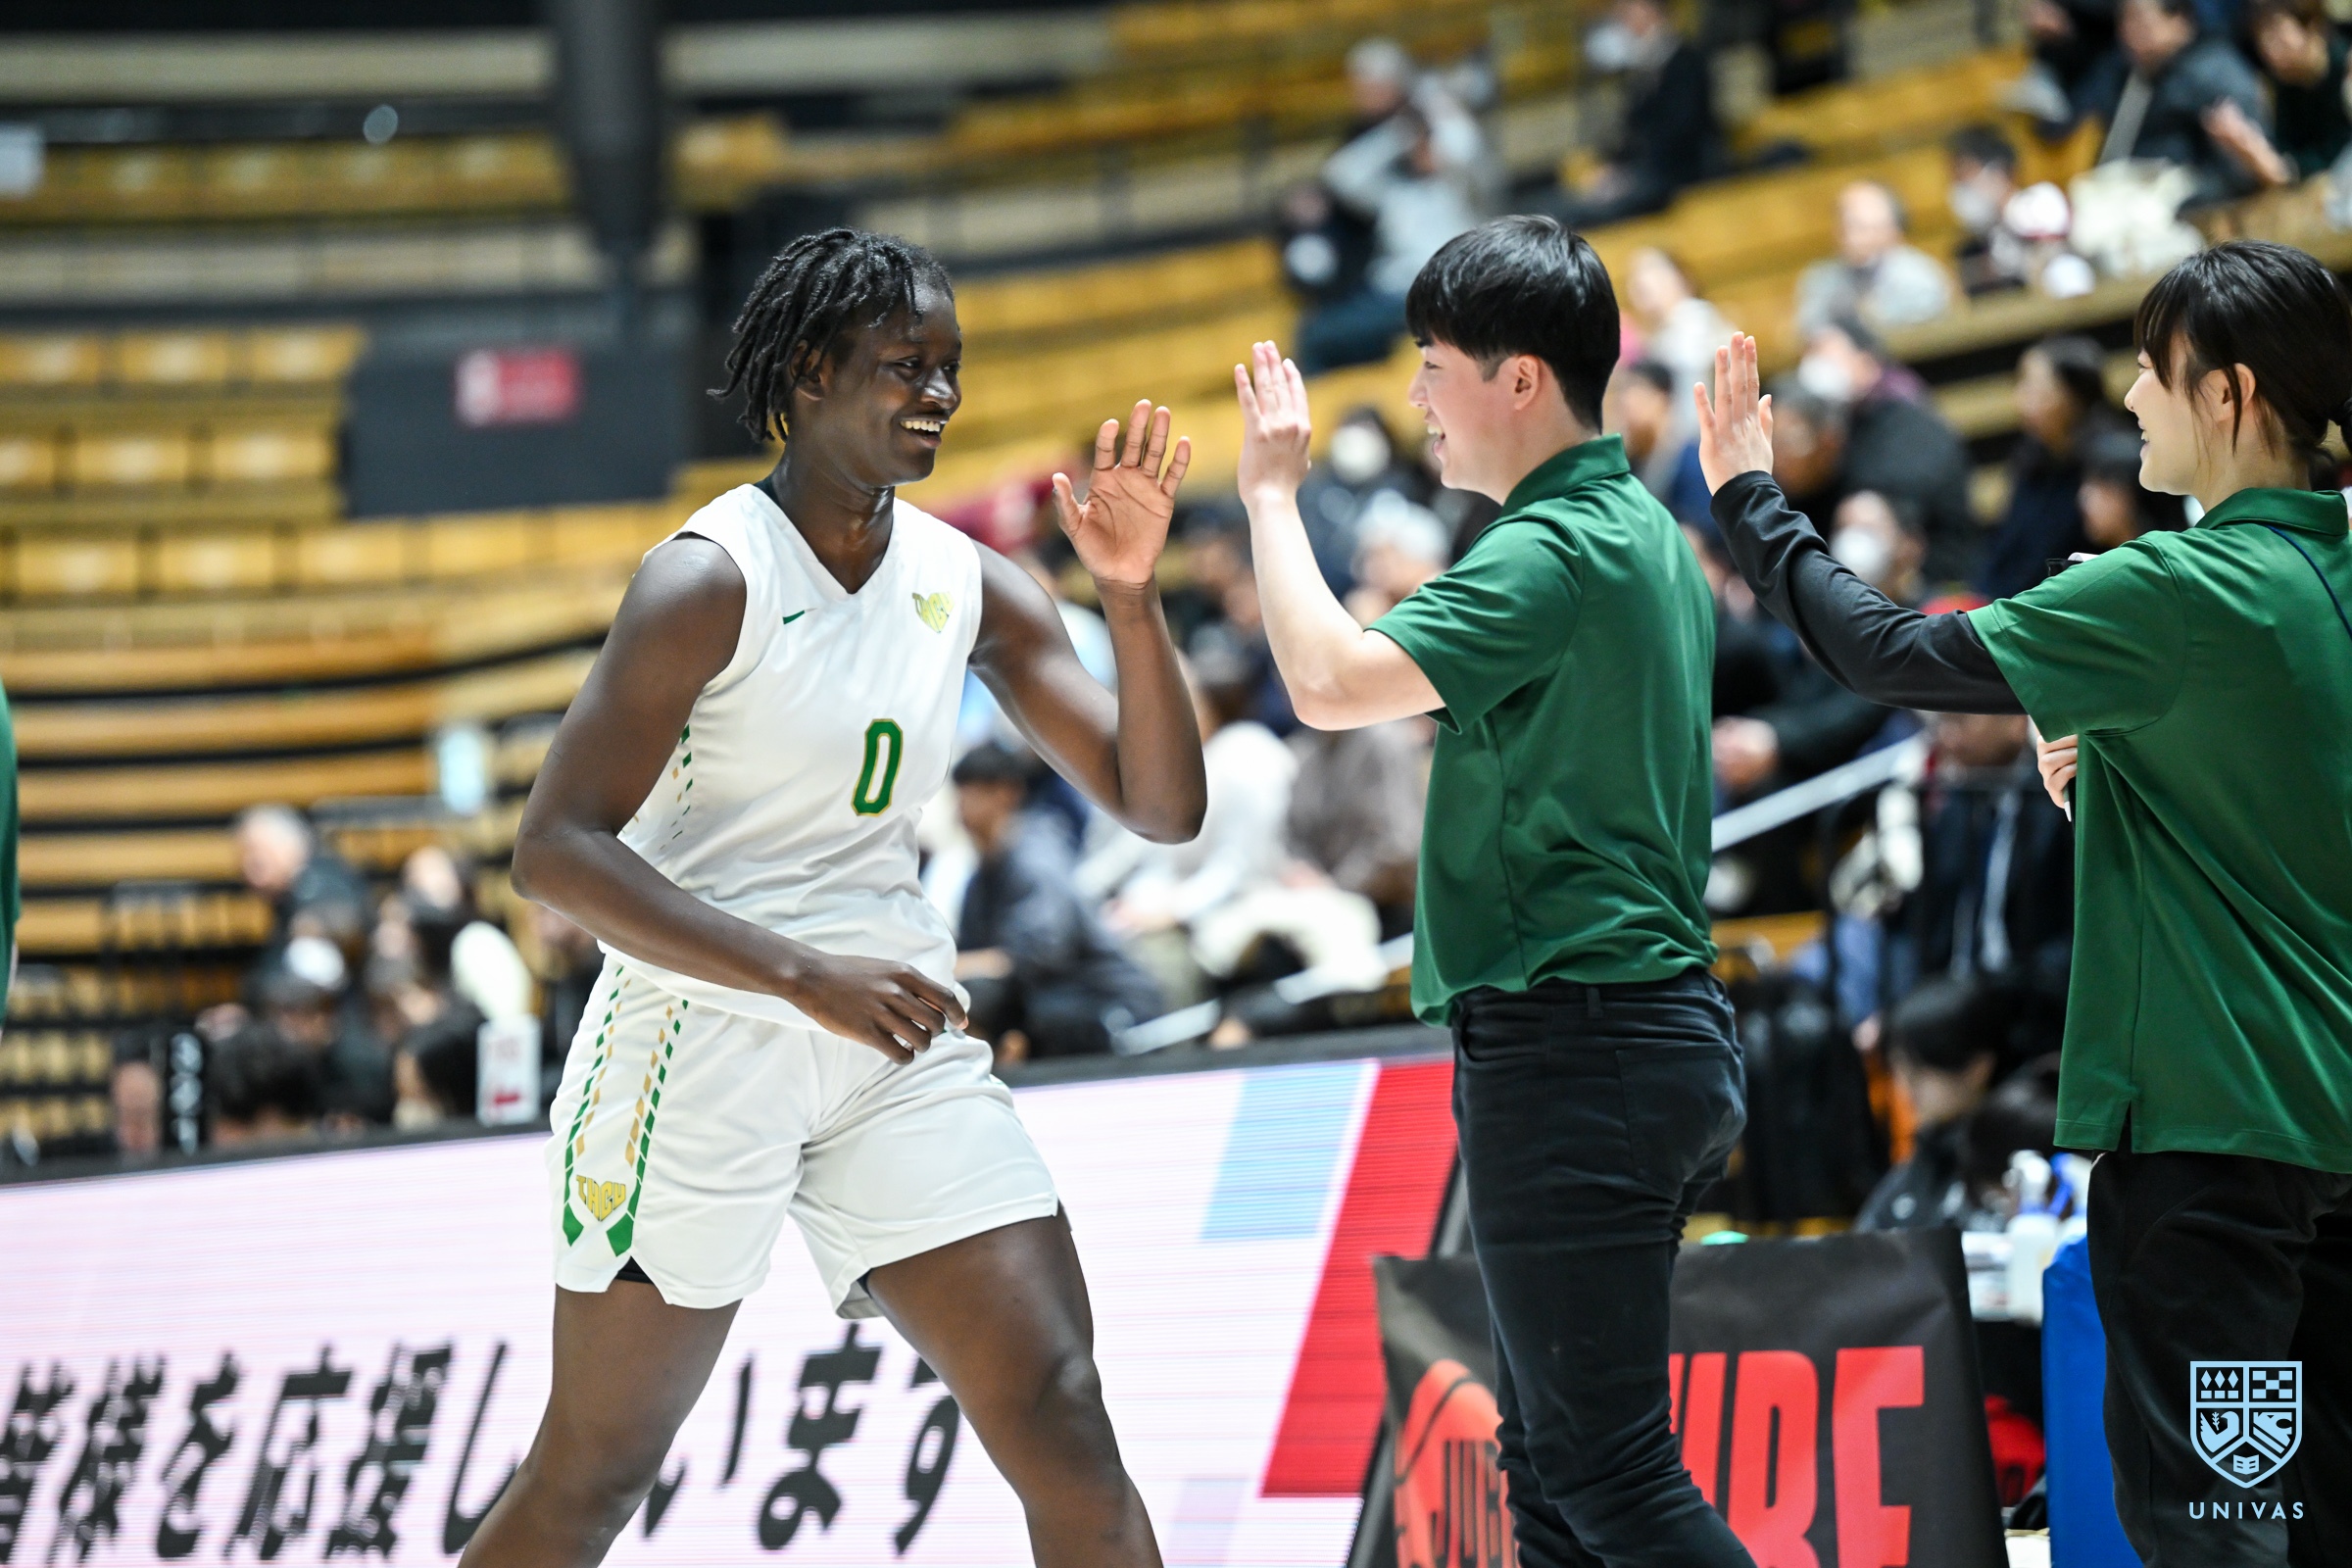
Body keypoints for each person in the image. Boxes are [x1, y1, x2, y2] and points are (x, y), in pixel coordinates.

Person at [484, 228, 1206, 1568]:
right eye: (904, 364)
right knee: (590, 1480)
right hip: (697, 1041)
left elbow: (1162, 806)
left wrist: (1129, 597)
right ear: (811, 371)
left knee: (1064, 1411)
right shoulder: (709, 576)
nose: (939, 393)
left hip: (891, 1035)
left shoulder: (968, 582)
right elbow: (556, 850)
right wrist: (802, 975)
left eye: (950, 367)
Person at [1695, 238, 2352, 1562]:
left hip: (2212, 1129)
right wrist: (2121, 774)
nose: (2133, 399)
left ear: (2230, 395)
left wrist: (1751, 499)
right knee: (2321, 1511)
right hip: (2329, 1131)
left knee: (2215, 1525)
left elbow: (1885, 650)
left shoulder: (2176, 588)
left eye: (2153, 373)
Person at [1233, 217, 1753, 1568]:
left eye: (1432, 363)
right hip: (1624, 1030)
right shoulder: (1640, 534)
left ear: (1518, 379)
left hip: (1579, 1037)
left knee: (1607, 1475)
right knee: (1557, 1474)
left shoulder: (1551, 548)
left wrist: (1273, 498)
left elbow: (1328, 683)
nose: (1416, 396)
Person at [951, 742, 1162, 1063]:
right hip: (1051, 999)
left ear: (1006, 793)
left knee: (983, 999)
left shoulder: (1036, 857)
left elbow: (1040, 956)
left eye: (973, 792)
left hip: (1106, 1001)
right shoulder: (979, 877)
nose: (962, 805)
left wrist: (957, 966)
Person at [1301, 71, 1493, 373]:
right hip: (1394, 297)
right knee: (1314, 331)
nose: (1423, 150)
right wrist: (1399, 133)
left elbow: (1465, 148)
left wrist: (1436, 107)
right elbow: (1340, 174)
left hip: (1445, 294)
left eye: (1428, 142)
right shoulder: (1394, 193)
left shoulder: (1461, 186)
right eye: (1419, 144)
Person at [1795, 317, 1978, 583]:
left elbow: (1897, 504)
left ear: (1867, 364)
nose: (1814, 364)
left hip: (1931, 580)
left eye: (1824, 352)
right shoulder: (1835, 427)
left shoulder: (1911, 422)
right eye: (1809, 353)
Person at [2082, 0, 2274, 203]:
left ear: (2179, 20)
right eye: (2123, 21)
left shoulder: (2214, 69)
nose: (2129, 32)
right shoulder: (2131, 76)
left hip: (2199, 202)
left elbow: (2238, 173)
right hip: (2139, 192)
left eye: (2140, 20)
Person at [1854, 976, 2006, 1231]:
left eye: (1920, 1071)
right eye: (1899, 1069)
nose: (1906, 1087)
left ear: (1979, 1067)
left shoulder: (2011, 1157)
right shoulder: (1922, 1158)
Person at [1977, 336, 2123, 598]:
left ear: (2072, 395)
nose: (2020, 399)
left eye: (2033, 387)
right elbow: (2005, 548)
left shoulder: (2110, 467)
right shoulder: (2029, 458)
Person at [1555, 0, 1722, 223]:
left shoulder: (1687, 62)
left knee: (1581, 217)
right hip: (1644, 171)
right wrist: (1614, 168)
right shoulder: (1644, 67)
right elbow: (1633, 129)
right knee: (1560, 205)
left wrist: (1628, 177)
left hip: (1678, 174)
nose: (1622, 20)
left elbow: (1681, 132)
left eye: (1628, 12)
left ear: (1651, 12)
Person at [1792, 180, 1955, 337]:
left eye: (1863, 228)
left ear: (1893, 231)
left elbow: (1931, 330)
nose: (1853, 239)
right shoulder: (1820, 280)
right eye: (1846, 226)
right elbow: (1809, 330)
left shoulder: (1919, 277)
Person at [2241, 0, 2352, 180]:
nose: (2270, 50)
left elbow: (2343, 151)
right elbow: (2288, 146)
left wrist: (2288, 168)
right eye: (2262, 40)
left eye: (2278, 34)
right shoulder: (2285, 84)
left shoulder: (2345, 67)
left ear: (2312, 26)